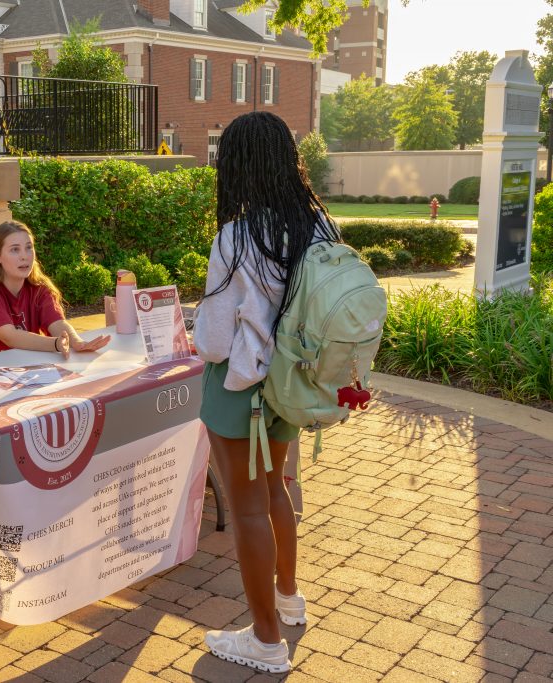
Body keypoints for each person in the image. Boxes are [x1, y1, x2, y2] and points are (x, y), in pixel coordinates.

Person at [196, 112, 341, 674]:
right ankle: (287, 597)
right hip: (293, 382)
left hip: (242, 389)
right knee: (278, 486)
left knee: (248, 506)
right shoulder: (320, 227)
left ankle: (264, 640)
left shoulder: (236, 236)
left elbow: (212, 341)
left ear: (238, 166)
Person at [0, 220, 111, 358]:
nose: (24, 256)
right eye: (15, 250)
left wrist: (77, 342)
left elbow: (57, 324)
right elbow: (10, 337)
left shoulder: (39, 288)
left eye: (29, 248)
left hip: (25, 373)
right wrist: (56, 344)